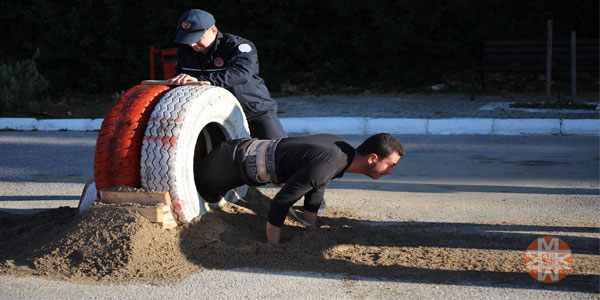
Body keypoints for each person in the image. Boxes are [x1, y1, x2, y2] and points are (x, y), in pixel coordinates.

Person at [194, 133, 405, 245]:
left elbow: (316, 191)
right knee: (198, 189)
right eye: (391, 165)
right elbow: (280, 203)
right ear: (372, 158)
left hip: (237, 153)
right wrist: (273, 246)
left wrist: (311, 229)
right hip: (224, 167)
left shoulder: (342, 150)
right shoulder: (328, 165)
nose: (391, 172)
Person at [166, 9, 286, 139]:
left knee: (277, 153)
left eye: (198, 38)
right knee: (219, 158)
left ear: (213, 30)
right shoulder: (185, 51)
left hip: (254, 112)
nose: (192, 44)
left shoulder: (238, 46)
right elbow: (182, 76)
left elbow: (241, 73)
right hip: (214, 117)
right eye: (187, 39)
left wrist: (200, 80)